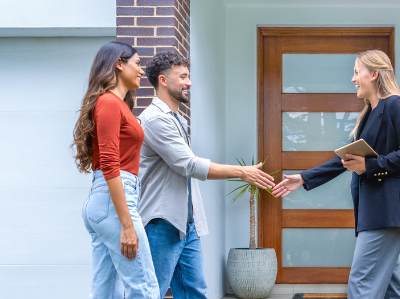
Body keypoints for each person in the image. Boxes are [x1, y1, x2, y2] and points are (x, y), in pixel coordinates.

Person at [271, 50, 400, 299]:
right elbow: (346, 160)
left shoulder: (396, 104)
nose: (352, 79)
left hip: (388, 211)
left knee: (360, 283)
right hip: (373, 210)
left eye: (356, 72)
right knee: (390, 287)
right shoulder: (368, 115)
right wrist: (304, 177)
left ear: (374, 74)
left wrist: (369, 166)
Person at [138, 52, 276, 299]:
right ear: (163, 80)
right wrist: (241, 172)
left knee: (195, 292)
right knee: (151, 293)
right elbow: (188, 165)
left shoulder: (177, 118)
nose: (189, 82)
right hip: (162, 223)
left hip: (186, 224)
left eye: (188, 76)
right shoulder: (155, 120)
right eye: (183, 77)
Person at [72, 41, 159, 299]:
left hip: (104, 202)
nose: (142, 71)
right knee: (144, 288)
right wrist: (127, 224)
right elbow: (111, 164)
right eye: (138, 64)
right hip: (114, 201)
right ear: (119, 64)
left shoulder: (115, 104)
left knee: (105, 290)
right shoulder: (110, 103)